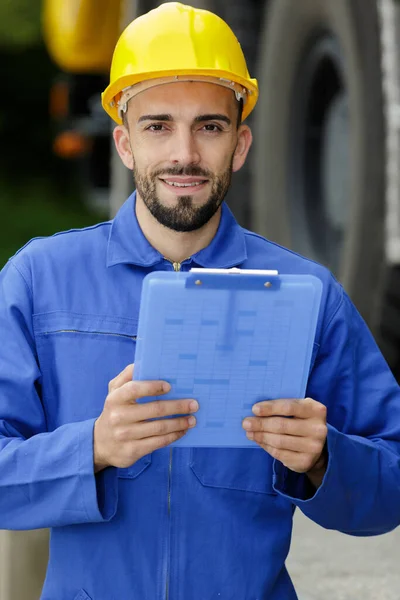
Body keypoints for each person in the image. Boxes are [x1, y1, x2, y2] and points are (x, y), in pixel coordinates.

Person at [0, 3, 400, 599]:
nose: (184, 154)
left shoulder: (310, 297)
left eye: (209, 126)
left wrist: (324, 459)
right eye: (158, 125)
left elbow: (389, 489)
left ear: (239, 145)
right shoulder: (40, 281)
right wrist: (93, 448)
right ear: (124, 142)